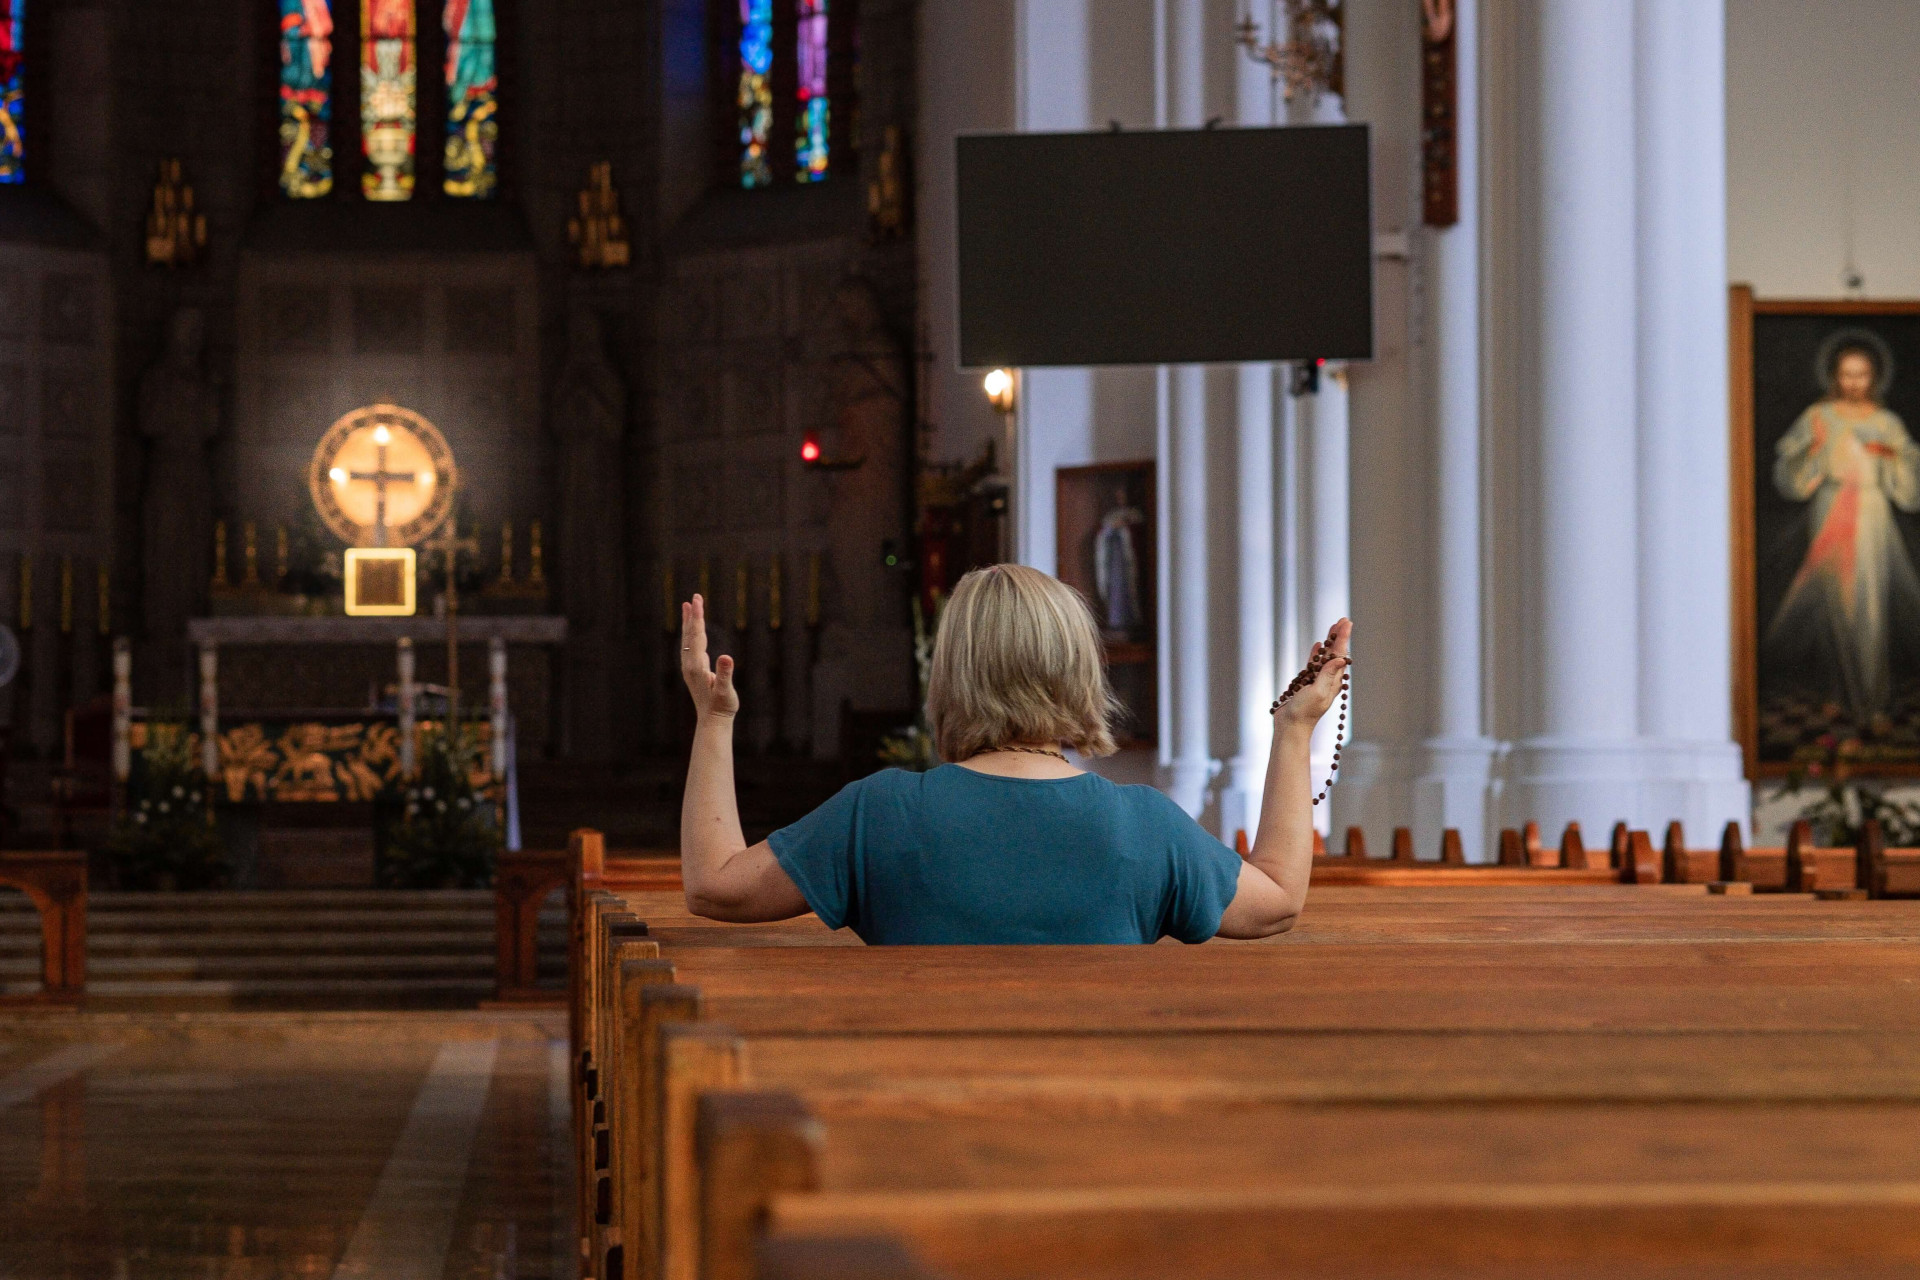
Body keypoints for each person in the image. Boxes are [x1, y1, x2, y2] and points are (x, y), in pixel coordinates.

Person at [678, 563, 1350, 943]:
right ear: (1079, 672)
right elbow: (1279, 900)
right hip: (1100, 1143)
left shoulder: (879, 812)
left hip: (913, 1146)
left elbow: (714, 887)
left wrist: (713, 723)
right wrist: (1294, 731)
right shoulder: (1144, 826)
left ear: (951, 676)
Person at [1769, 342, 1920, 724]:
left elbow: (1907, 463)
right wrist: (1814, 450)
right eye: (1847, 374)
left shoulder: (1886, 422)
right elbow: (1789, 462)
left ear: (1874, 377)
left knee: (1868, 606)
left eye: (1862, 374)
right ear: (1836, 376)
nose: (1854, 382)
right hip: (1831, 507)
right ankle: (1840, 692)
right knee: (1834, 604)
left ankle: (1873, 700)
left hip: (1870, 514)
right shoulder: (1818, 415)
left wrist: (1887, 455)